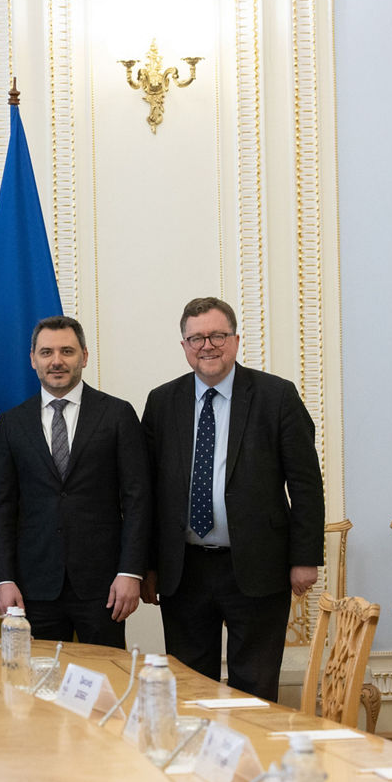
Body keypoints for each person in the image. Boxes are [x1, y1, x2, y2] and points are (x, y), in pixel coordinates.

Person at [141, 297, 324, 701]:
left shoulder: (277, 396)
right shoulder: (161, 402)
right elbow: (147, 492)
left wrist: (305, 557)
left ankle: (252, 763)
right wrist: (148, 566)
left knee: (255, 689)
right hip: (184, 571)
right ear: (185, 346)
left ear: (236, 340)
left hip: (258, 566)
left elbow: (306, 483)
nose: (208, 346)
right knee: (190, 688)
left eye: (217, 336)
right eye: (197, 338)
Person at [0, 316, 151, 647]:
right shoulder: (12, 423)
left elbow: (138, 499)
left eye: (67, 351)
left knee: (107, 683)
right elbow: (1, 506)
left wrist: (130, 571)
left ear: (85, 356)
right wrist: (3, 578)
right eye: (47, 352)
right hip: (33, 586)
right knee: (38, 686)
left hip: (104, 585)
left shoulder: (117, 415)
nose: (57, 361)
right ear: (33, 359)